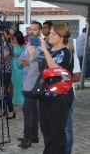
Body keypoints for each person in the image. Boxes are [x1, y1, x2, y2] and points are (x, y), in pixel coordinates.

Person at [29, 23, 74, 153]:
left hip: (60, 98)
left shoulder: (66, 52)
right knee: (46, 130)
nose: (50, 36)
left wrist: (44, 50)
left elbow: (55, 71)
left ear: (62, 37)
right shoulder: (48, 51)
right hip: (44, 96)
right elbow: (37, 71)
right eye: (50, 33)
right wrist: (32, 55)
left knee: (57, 132)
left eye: (54, 34)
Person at [18, 22, 43, 148]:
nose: (31, 32)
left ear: (40, 31)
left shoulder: (42, 46)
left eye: (34, 29)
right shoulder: (28, 45)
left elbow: (41, 65)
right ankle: (34, 136)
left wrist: (29, 62)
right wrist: (23, 63)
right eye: (30, 30)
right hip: (26, 82)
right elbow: (19, 61)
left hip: (35, 83)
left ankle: (27, 138)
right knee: (33, 110)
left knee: (27, 109)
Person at [66, 47, 80, 154]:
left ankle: (67, 151)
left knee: (67, 127)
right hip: (52, 97)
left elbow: (77, 77)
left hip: (67, 95)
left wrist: (61, 79)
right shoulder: (50, 54)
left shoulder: (71, 56)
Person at [0, 30, 15, 119]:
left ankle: (11, 110)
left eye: (3, 34)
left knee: (5, 90)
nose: (1, 36)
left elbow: (1, 57)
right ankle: (3, 109)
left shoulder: (9, 45)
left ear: (8, 36)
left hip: (7, 70)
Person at [11, 31, 26, 105]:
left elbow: (24, 57)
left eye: (16, 38)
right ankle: (15, 100)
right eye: (14, 38)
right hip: (12, 66)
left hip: (19, 67)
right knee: (14, 83)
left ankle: (23, 100)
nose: (14, 39)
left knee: (20, 84)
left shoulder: (23, 45)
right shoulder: (12, 44)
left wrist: (15, 55)